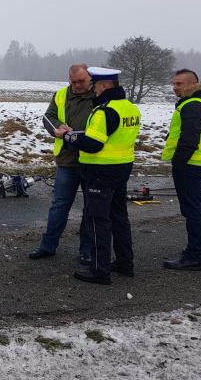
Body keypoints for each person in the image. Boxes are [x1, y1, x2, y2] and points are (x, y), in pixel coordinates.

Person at [61, 67, 140, 285]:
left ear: (104, 85)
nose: (93, 89)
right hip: (121, 168)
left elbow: (94, 144)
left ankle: (99, 269)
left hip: (100, 172)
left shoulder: (104, 111)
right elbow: (113, 137)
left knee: (98, 220)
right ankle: (125, 262)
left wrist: (69, 137)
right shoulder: (129, 108)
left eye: (95, 85)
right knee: (119, 217)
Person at [29, 63, 94, 264]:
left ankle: (87, 251)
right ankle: (47, 246)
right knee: (59, 206)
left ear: (90, 78)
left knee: (91, 209)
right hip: (67, 161)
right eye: (73, 82)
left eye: (81, 81)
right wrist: (57, 128)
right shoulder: (61, 95)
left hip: (93, 161)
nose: (77, 85)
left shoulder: (100, 95)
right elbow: (48, 117)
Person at [161, 69, 201, 271]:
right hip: (199, 162)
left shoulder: (193, 105)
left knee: (192, 210)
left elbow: (189, 139)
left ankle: (194, 256)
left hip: (189, 164)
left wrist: (178, 162)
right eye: (174, 83)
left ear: (192, 84)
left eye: (179, 84)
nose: (174, 87)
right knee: (199, 207)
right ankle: (198, 251)